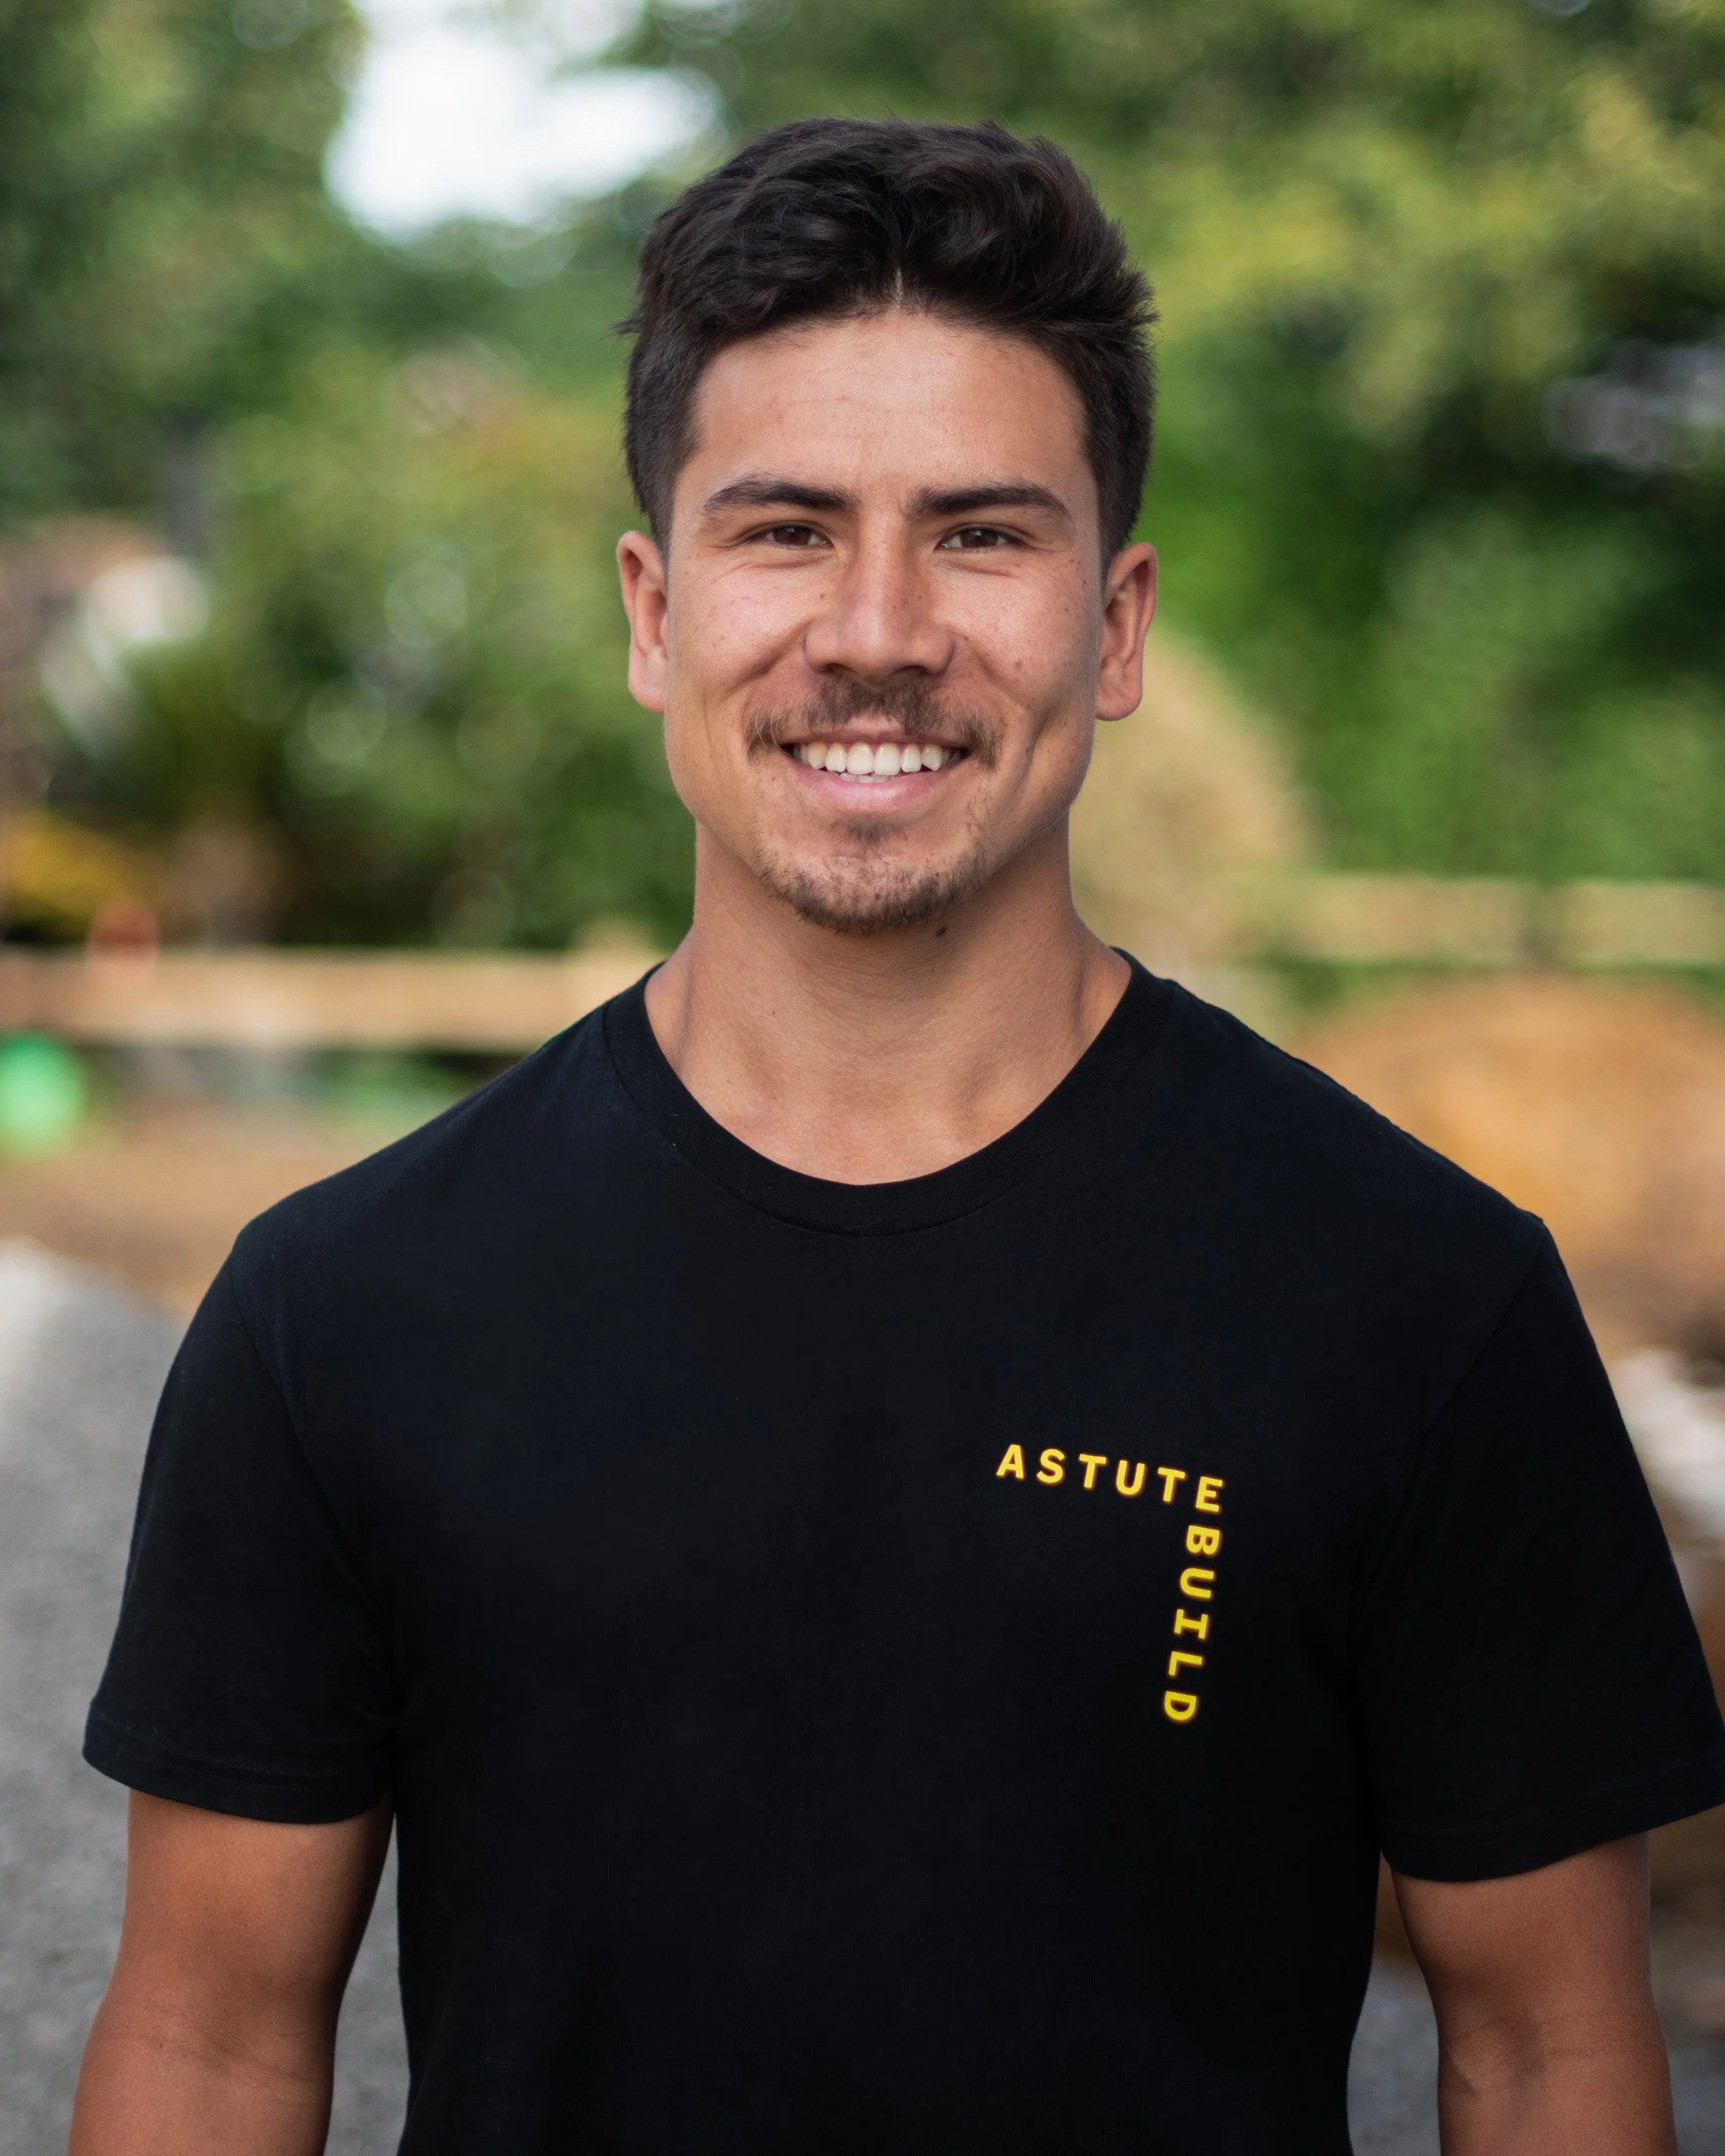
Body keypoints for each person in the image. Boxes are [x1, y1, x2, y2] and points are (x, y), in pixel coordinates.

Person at [70, 118, 1724, 2156]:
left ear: (1115, 624)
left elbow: (1548, 2053)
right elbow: (213, 2047)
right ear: (652, 612)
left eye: (981, 535)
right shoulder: (344, 1309)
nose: (876, 629)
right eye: (785, 530)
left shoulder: (1420, 1299)